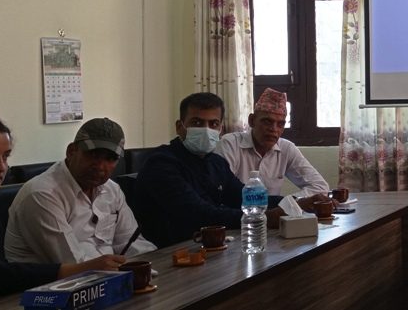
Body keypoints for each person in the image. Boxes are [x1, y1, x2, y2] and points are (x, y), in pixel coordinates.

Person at [0, 110, 125, 303]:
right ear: (71, 151)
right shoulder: (41, 193)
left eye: (5, 157)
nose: (1, 167)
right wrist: (78, 269)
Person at [136, 92, 320, 248]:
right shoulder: (161, 163)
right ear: (179, 127)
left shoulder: (215, 162)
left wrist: (296, 203)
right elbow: (199, 214)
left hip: (208, 246)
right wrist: (264, 217)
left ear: (220, 128)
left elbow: (242, 197)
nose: (206, 130)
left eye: (213, 124)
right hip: (169, 253)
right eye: (197, 123)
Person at [5, 118, 155, 264]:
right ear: (71, 151)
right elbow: (72, 263)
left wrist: (153, 264)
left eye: (110, 158)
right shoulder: (42, 194)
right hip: (57, 280)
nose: (100, 166)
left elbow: (132, 243)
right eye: (93, 154)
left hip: (108, 276)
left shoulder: (112, 190)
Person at [216, 88, 331, 199]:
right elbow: (222, 191)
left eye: (280, 124)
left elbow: (320, 187)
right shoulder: (230, 144)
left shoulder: (286, 148)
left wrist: (289, 203)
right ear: (252, 121)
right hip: (236, 212)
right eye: (267, 121)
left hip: (274, 212)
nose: (274, 129)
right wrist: (283, 204)